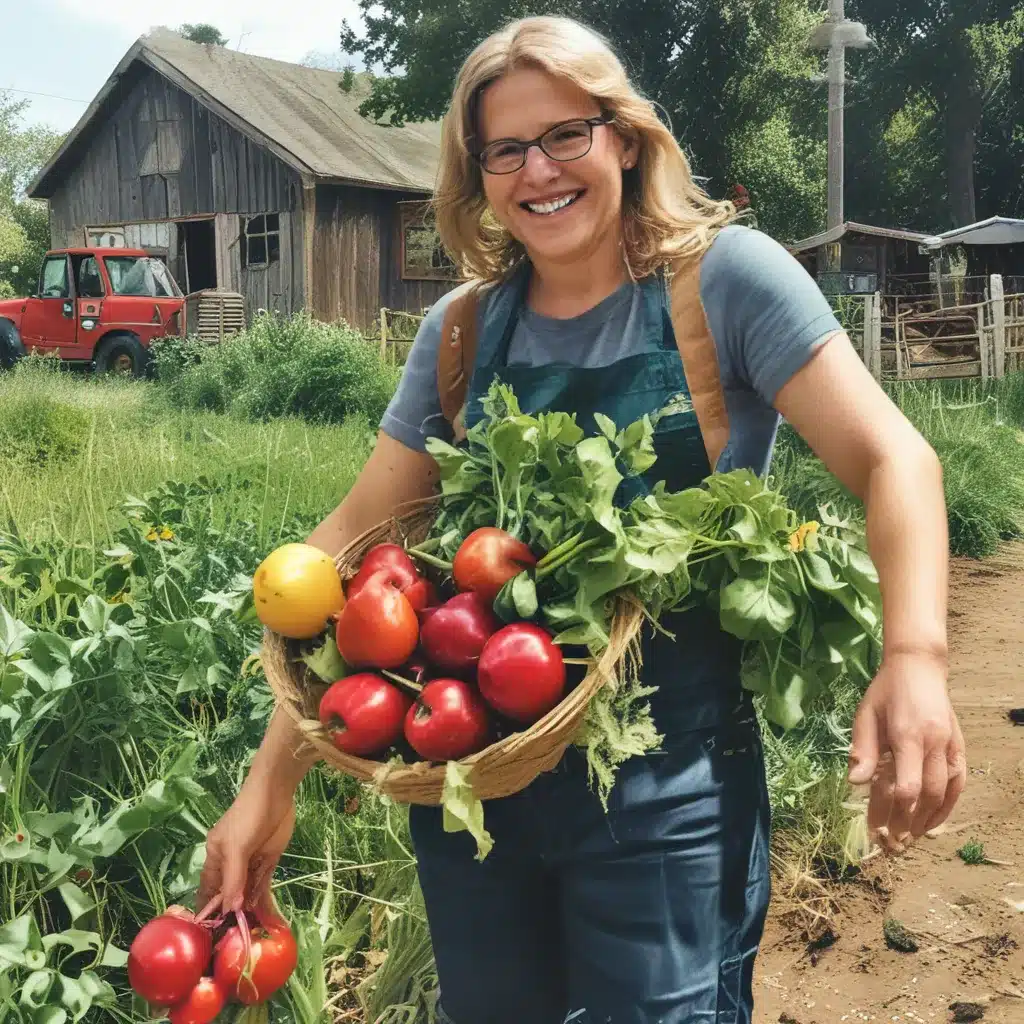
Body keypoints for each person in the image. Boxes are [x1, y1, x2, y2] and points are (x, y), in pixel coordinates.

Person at [200, 15, 967, 1024]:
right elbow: (349, 547)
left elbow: (893, 458)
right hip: (475, 794)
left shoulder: (723, 282)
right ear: (477, 175)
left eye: (566, 133)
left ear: (624, 137)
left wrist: (913, 653)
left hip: (673, 793)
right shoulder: (462, 329)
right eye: (505, 150)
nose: (538, 170)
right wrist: (270, 780)